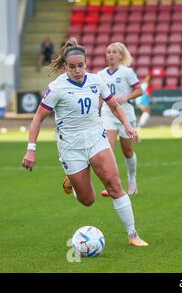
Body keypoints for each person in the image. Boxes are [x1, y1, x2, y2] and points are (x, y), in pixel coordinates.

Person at [22, 38, 148, 246]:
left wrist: (127, 124)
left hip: (96, 139)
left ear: (86, 64)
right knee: (88, 200)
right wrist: (31, 150)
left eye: (81, 65)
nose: (77, 70)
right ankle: (71, 180)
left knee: (114, 184)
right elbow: (37, 118)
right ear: (65, 67)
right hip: (71, 148)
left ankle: (133, 235)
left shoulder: (96, 81)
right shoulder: (57, 88)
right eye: (72, 67)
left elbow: (114, 106)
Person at [98, 42, 143, 197]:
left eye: (114, 52)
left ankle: (132, 179)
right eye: (108, 52)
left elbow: (139, 90)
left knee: (127, 150)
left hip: (126, 115)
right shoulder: (100, 75)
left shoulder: (127, 72)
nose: (110, 54)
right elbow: (99, 97)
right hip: (108, 115)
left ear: (120, 55)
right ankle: (112, 185)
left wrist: (126, 97)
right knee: (107, 150)